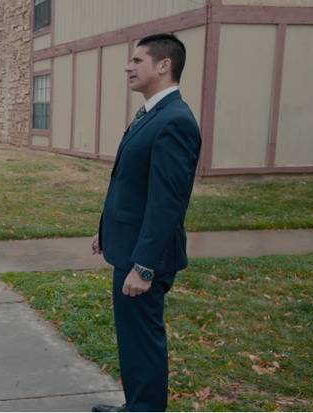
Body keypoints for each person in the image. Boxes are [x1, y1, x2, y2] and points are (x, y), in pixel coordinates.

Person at [91, 33, 201, 412]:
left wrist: (144, 266)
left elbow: (167, 203)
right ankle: (135, 406)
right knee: (132, 342)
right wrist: (105, 229)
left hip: (145, 258)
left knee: (143, 343)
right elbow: (133, 183)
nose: (128, 66)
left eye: (137, 60)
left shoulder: (175, 121)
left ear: (163, 65)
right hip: (129, 246)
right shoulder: (153, 114)